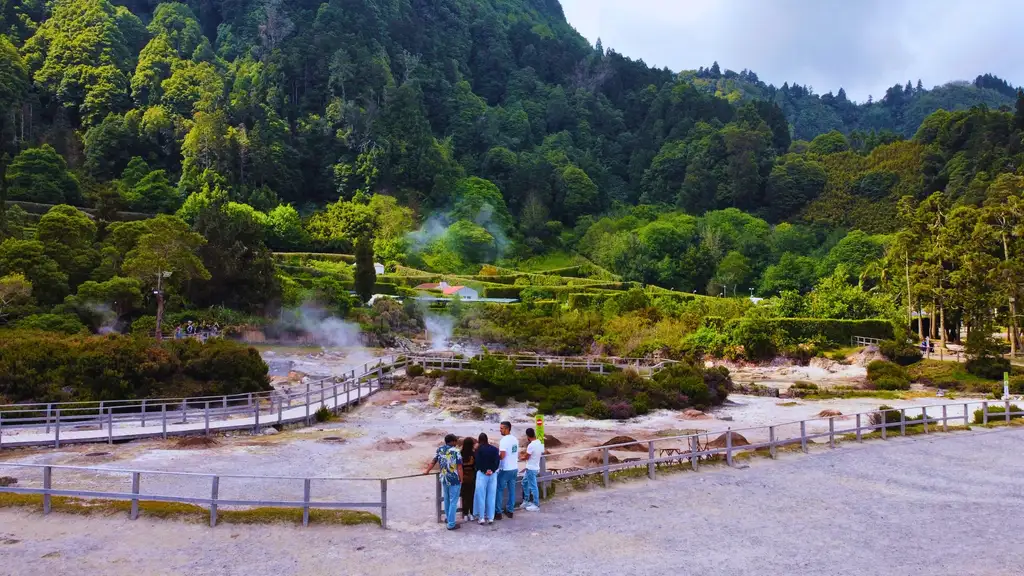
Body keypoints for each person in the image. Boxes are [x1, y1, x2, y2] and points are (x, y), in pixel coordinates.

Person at [424, 433, 463, 530]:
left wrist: (427, 471)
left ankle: (447, 518)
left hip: (444, 478)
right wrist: (461, 479)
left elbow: (433, 461)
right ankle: (451, 524)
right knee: (453, 501)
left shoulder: (440, 449)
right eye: (455, 441)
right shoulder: (456, 451)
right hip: (454, 479)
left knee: (446, 499)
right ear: (453, 441)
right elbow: (459, 467)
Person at [473, 433, 500, 525]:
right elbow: (497, 461)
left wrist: (485, 470)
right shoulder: (495, 449)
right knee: (491, 496)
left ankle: (481, 517)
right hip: (493, 474)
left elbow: (477, 462)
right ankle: (490, 517)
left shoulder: (478, 450)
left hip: (482, 474)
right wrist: (492, 470)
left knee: (481, 496)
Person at [496, 421, 518, 519]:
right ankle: (510, 510)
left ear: (507, 429)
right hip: (514, 468)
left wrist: (496, 458)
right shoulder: (515, 439)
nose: (500, 430)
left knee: (499, 489)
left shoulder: (503, 441)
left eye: (501, 428)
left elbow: (503, 455)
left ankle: (498, 512)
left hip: (505, 468)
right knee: (512, 490)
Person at [521, 427, 543, 511]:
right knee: (524, 482)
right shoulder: (539, 443)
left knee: (533, 486)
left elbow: (527, 456)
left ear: (527, 436)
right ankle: (526, 500)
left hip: (531, 468)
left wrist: (520, 458)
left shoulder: (531, 445)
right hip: (535, 466)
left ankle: (536, 504)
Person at [460, 437, 477, 522]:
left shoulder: (460, 454)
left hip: (463, 477)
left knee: (464, 496)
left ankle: (465, 513)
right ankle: (471, 513)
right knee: (471, 496)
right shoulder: (473, 454)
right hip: (472, 477)